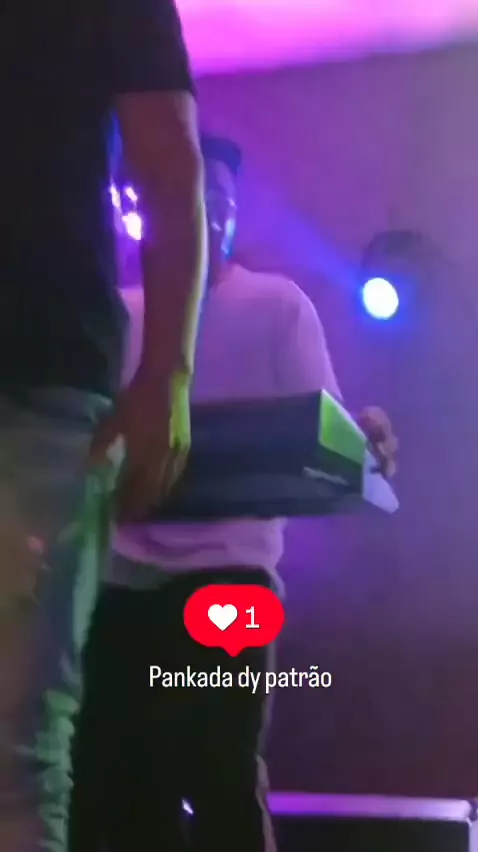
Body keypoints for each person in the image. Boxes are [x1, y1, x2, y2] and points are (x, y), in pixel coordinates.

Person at [69, 136, 398, 852]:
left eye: (218, 200)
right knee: (124, 795)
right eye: (187, 200)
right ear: (145, 210)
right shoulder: (118, 314)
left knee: (221, 777)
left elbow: (326, 438)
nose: (205, 214)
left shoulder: (278, 305)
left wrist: (366, 440)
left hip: (230, 577)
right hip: (120, 585)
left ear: (233, 212)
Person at [0, 2, 207, 851]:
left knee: (16, 760)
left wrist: (167, 374)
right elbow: (168, 161)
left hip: (41, 379)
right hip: (45, 379)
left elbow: (170, 164)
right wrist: (164, 376)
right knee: (15, 760)